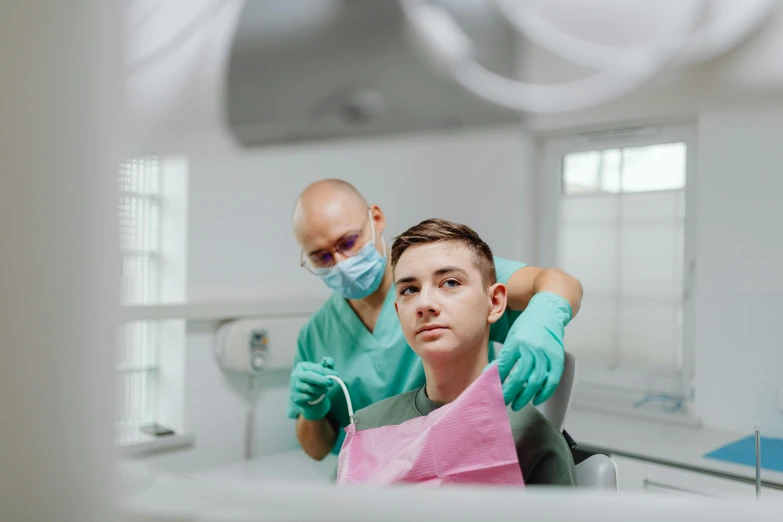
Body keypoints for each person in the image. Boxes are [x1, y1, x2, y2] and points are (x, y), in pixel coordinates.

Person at [289, 179, 582, 460]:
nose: (342, 263)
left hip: (463, 458)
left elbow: (556, 281)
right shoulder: (316, 335)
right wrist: (312, 409)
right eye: (321, 258)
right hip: (373, 482)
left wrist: (546, 313)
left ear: (376, 218)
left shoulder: (451, 272)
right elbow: (316, 450)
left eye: (349, 241)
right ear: (397, 309)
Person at [336, 218, 576, 485]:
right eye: (410, 289)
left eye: (450, 283)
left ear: (495, 302)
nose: (424, 303)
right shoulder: (365, 426)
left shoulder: (530, 441)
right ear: (398, 312)